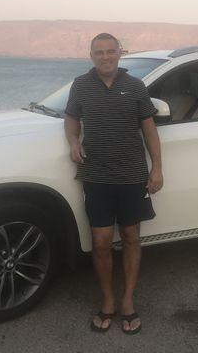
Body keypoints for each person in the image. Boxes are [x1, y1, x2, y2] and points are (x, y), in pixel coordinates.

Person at [64, 32, 163, 335]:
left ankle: (128, 301)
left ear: (120, 53)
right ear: (91, 55)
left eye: (110, 51)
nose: (105, 57)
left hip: (132, 176)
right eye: (99, 52)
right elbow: (71, 118)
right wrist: (73, 141)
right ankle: (108, 300)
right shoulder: (80, 85)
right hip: (96, 176)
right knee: (101, 242)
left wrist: (157, 167)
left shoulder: (135, 86)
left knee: (131, 237)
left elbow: (149, 129)